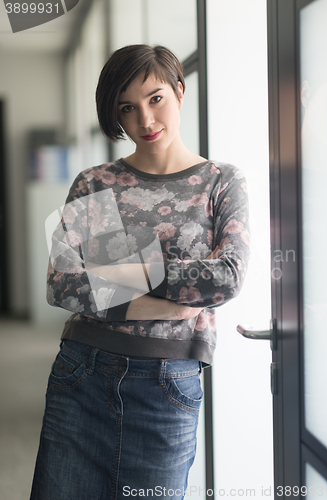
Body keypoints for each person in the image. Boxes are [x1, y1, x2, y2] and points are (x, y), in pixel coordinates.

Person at [30, 44, 250, 500]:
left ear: (180, 92)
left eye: (156, 99)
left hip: (169, 386)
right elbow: (62, 281)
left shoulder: (220, 182)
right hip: (82, 374)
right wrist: (163, 304)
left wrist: (117, 270)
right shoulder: (97, 183)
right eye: (127, 108)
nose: (145, 121)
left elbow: (226, 277)